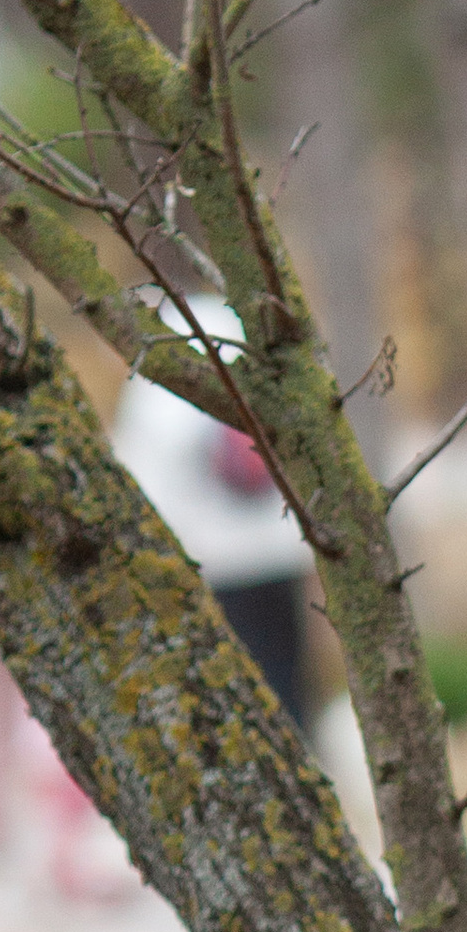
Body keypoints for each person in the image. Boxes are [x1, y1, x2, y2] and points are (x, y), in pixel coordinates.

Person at [110, 310, 313, 727]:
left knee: (233, 692)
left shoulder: (158, 377)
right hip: (277, 556)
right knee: (287, 682)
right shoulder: (252, 349)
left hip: (210, 564)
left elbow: (145, 474)